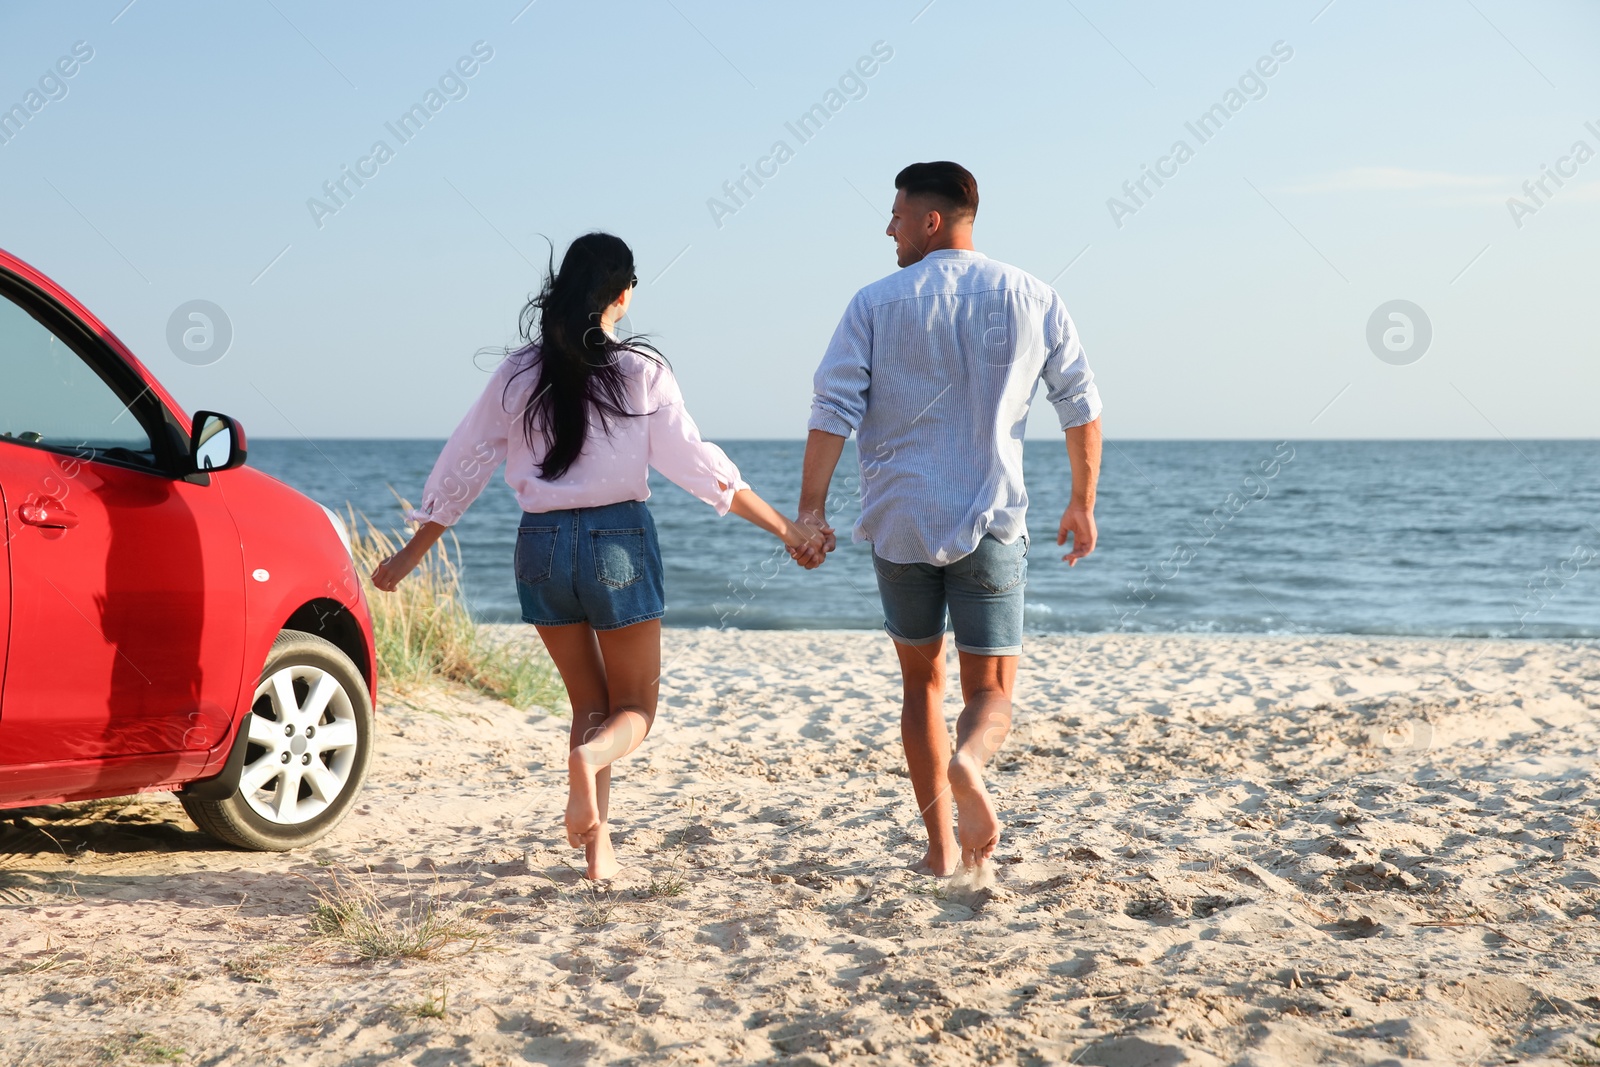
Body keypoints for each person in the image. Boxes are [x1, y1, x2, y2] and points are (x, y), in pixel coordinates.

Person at [372, 232, 824, 880]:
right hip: (617, 541)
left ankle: (599, 852)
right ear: (622, 294)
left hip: (540, 546)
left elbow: (464, 462)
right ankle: (586, 776)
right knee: (636, 706)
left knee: (588, 703)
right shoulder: (641, 371)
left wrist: (411, 552)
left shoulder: (518, 373)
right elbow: (698, 467)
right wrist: (785, 527)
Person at [799, 162, 1103, 875]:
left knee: (919, 685)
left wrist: (810, 509)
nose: (889, 228)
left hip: (901, 521)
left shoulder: (874, 303)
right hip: (992, 517)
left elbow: (831, 410)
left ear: (931, 220)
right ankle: (971, 760)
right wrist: (1082, 502)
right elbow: (1080, 405)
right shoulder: (1033, 294)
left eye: (897, 215)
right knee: (990, 690)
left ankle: (939, 851)